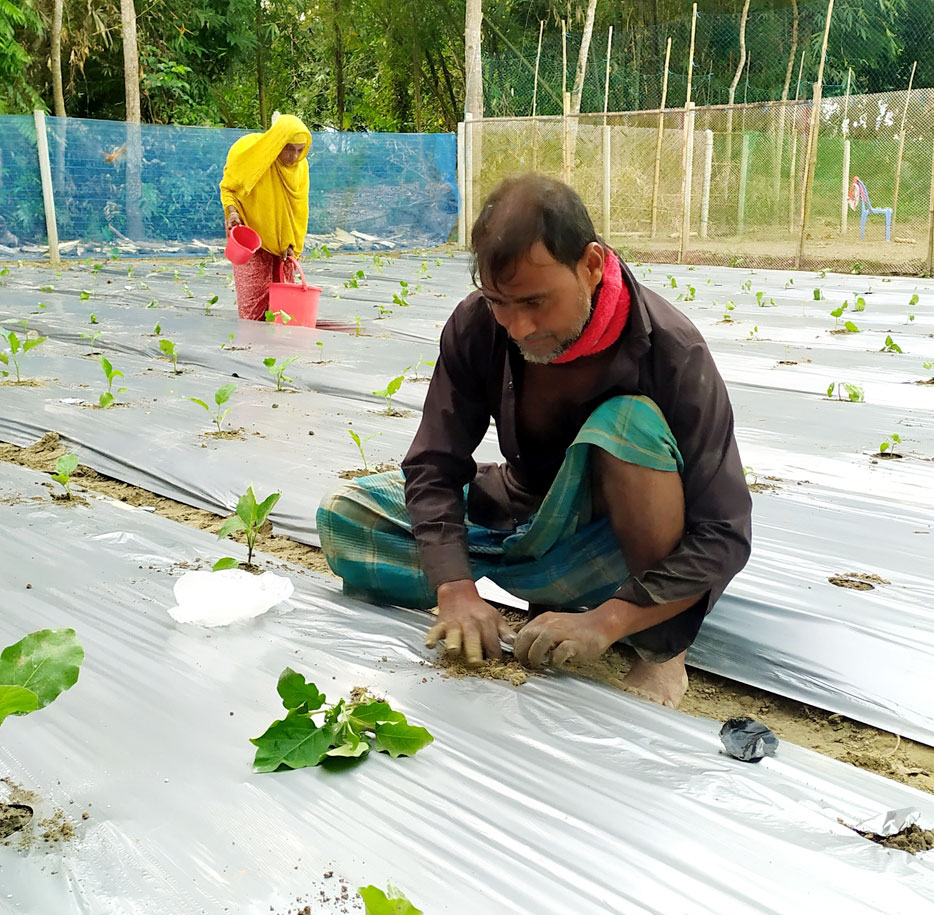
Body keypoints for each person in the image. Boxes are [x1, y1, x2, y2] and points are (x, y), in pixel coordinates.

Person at [316, 175, 753, 708]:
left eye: (537, 303)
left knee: (627, 424)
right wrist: (453, 587)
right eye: (501, 302)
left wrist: (608, 622)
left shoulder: (671, 350)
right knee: (345, 515)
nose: (519, 327)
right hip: (522, 512)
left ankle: (659, 649)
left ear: (591, 266)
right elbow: (434, 462)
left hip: (615, 542)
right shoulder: (479, 326)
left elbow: (724, 533)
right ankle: (537, 586)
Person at [219, 114, 311, 320]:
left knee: (282, 301)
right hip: (249, 234)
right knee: (253, 296)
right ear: (277, 142)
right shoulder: (249, 152)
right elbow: (229, 188)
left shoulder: (300, 168)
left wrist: (292, 242)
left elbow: (298, 209)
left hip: (283, 241)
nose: (294, 157)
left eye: (300, 150)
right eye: (289, 148)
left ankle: (279, 345)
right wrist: (232, 212)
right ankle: (252, 344)